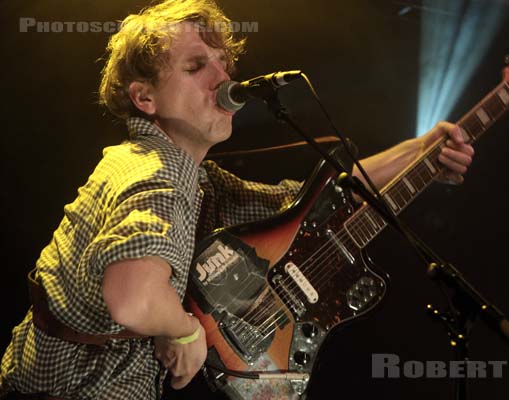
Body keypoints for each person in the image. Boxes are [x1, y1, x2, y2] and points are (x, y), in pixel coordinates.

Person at [0, 0, 474, 399]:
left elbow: (307, 205)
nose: (222, 77)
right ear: (145, 99)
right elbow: (133, 298)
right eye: (195, 66)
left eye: (222, 62)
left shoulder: (190, 174)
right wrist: (184, 331)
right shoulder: (157, 175)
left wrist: (423, 149)